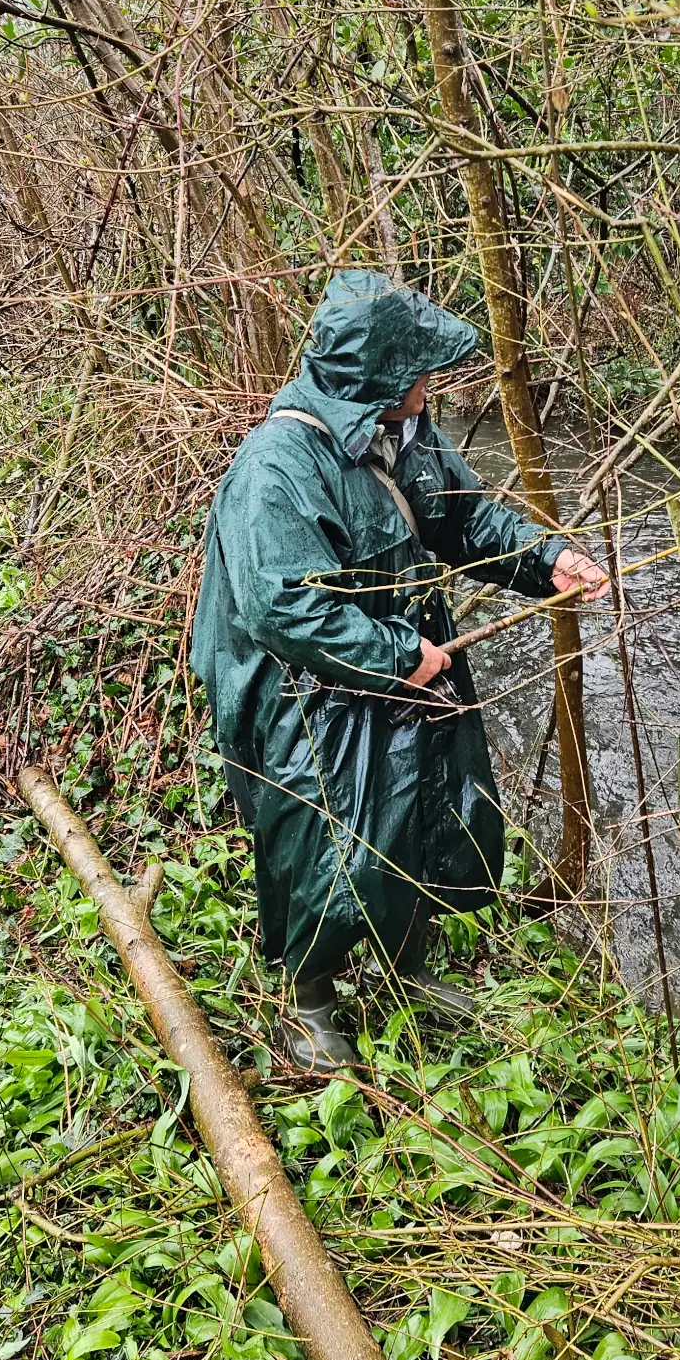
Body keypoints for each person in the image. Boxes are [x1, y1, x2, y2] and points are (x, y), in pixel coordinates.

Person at [191, 269, 607, 1071]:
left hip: (398, 671)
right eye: (417, 372)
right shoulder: (277, 467)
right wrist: (394, 655)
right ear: (376, 379)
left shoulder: (406, 432)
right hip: (300, 696)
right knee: (320, 847)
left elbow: (463, 515)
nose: (429, 385)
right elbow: (283, 608)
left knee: (412, 818)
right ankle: (311, 1005)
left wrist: (546, 558)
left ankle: (405, 969)